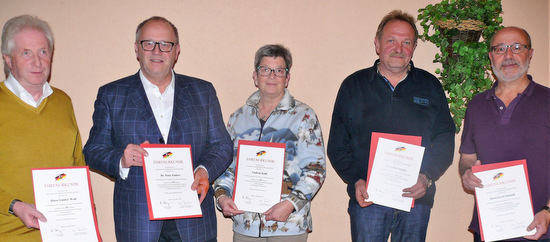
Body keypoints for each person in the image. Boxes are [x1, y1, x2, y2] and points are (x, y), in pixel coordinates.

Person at [83, 16, 233, 242]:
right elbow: (93, 151)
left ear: (176, 51)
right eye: (148, 43)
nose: (157, 51)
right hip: (138, 224)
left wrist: (204, 170)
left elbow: (222, 145)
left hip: (194, 220)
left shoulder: (203, 92)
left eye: (165, 44)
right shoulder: (111, 94)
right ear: (137, 49)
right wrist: (121, 159)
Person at [327, 10, 456, 242]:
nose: (399, 48)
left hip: (416, 201)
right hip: (368, 201)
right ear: (377, 44)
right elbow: (338, 144)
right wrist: (356, 180)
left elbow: (445, 139)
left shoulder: (430, 86)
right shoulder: (353, 86)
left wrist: (426, 177)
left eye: (406, 42)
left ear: (414, 47)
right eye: (391, 40)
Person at [213, 44, 326, 242]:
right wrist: (222, 196)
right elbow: (225, 167)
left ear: (287, 78)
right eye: (265, 69)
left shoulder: (304, 116)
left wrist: (290, 204)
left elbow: (315, 170)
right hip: (245, 224)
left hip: (288, 226)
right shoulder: (237, 118)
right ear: (255, 77)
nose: (272, 76)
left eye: (279, 71)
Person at [459, 26, 550, 241]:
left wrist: (548, 211)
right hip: (489, 229)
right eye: (500, 49)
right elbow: (467, 158)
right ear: (491, 56)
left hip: (541, 230)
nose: (508, 55)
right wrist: (466, 174)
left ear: (530, 53)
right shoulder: (475, 106)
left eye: (517, 47)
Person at [0, 15, 86, 241]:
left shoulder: (63, 101)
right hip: (9, 233)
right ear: (8, 60)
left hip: (66, 233)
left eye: (43, 52)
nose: (37, 62)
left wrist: (89, 221)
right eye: (26, 53)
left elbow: (78, 162)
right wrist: (14, 206)